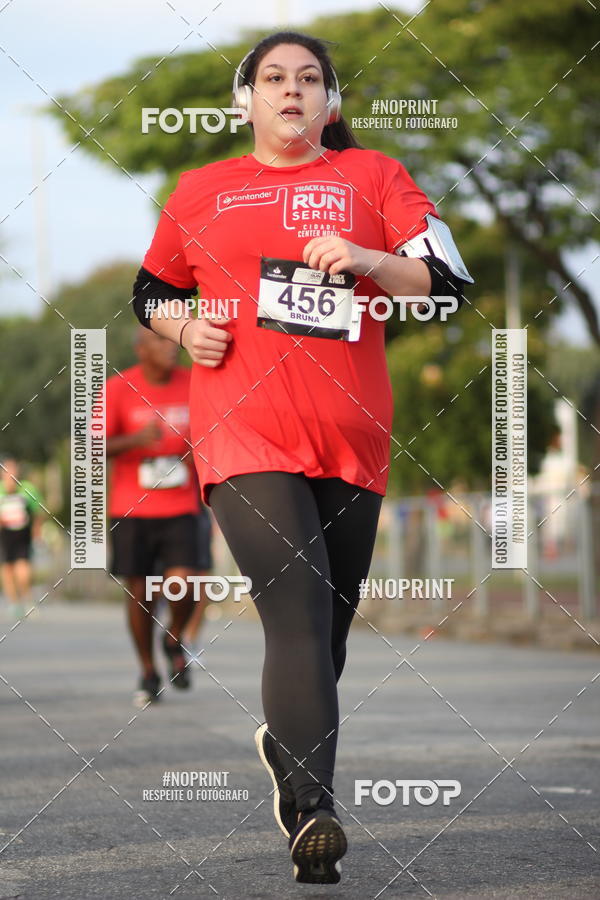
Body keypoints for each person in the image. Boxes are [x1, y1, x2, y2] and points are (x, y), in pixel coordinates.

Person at [131, 30, 472, 883]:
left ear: (332, 100)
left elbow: (448, 280)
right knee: (298, 612)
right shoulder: (203, 189)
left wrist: (370, 259)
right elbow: (150, 289)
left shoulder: (373, 178)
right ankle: (314, 811)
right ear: (246, 99)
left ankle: (289, 756)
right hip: (241, 431)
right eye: (274, 78)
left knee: (328, 629)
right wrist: (182, 325)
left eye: (309, 79)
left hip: (351, 435)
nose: (292, 91)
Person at [105, 326, 210, 707]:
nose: (172, 348)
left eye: (173, 341)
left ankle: (174, 637)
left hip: (183, 503)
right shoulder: (118, 388)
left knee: (188, 580)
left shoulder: (195, 381)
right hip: (132, 508)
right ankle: (148, 670)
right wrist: (136, 440)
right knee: (141, 591)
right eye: (162, 341)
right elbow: (90, 445)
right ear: (141, 348)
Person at [0, 458, 43, 621]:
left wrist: (37, 533)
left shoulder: (27, 489)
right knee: (7, 570)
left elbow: (38, 512)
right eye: (7, 472)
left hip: (22, 536)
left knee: (22, 570)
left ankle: (28, 600)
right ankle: (14, 603)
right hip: (5, 536)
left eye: (13, 472)